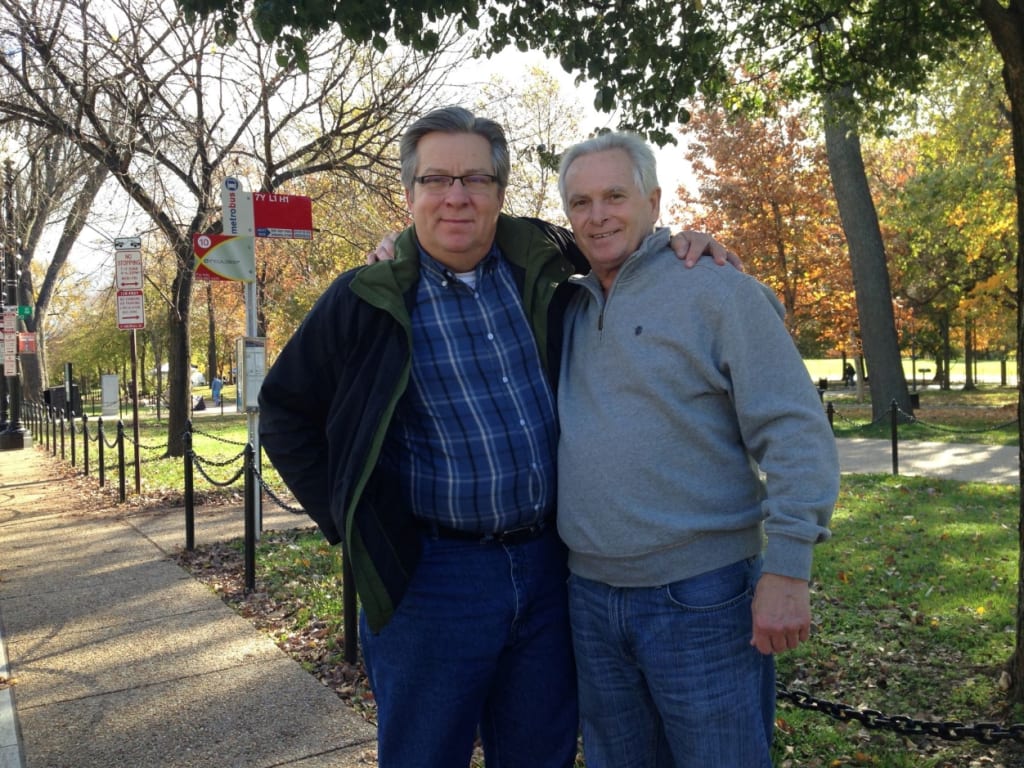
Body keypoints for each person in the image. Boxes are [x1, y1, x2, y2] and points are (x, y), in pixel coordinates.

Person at [258, 106, 734, 768]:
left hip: (549, 568)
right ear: (410, 194)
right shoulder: (365, 298)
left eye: (475, 179)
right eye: (436, 180)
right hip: (431, 579)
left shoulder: (544, 262)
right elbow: (284, 412)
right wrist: (353, 522)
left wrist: (685, 239)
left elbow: (619, 237)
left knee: (540, 753)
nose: (456, 196)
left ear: (500, 191)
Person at [554, 131, 840, 768]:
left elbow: (794, 430)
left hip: (702, 598)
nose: (597, 215)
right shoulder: (566, 304)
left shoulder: (718, 291)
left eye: (615, 196)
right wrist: (395, 247)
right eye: (580, 202)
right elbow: (471, 230)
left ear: (654, 202)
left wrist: (789, 568)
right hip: (590, 599)